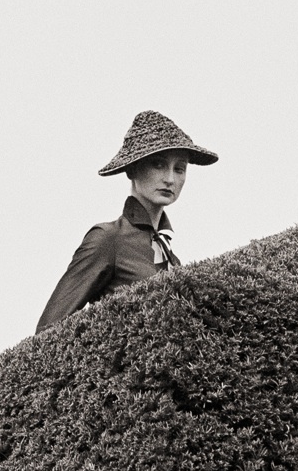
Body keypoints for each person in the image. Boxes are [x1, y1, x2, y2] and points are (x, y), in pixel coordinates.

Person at [36, 110, 218, 334]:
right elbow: (47, 331)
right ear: (132, 169)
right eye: (158, 165)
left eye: (179, 169)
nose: (170, 179)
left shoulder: (172, 259)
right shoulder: (108, 238)